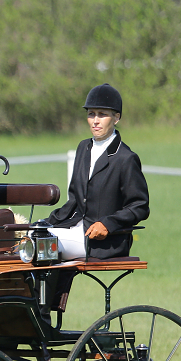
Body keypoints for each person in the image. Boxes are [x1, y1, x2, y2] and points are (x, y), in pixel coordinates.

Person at [45, 83, 149, 259]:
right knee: (35, 237)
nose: (95, 120)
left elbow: (140, 206)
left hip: (105, 242)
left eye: (102, 114)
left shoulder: (126, 158)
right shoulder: (83, 148)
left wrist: (108, 224)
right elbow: (74, 201)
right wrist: (45, 224)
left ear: (116, 118)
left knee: (42, 244)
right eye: (91, 114)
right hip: (74, 229)